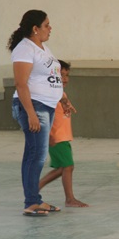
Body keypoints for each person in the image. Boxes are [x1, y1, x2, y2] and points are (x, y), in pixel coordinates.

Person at [8, 10, 64, 216]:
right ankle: (31, 202)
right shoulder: (24, 49)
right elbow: (21, 84)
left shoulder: (42, 47)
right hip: (33, 105)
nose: (50, 28)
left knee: (34, 153)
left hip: (46, 105)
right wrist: (31, 113)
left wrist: (63, 99)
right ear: (35, 28)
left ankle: (35, 199)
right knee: (36, 155)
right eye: (47, 25)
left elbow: (51, 75)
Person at [38, 60, 88, 207]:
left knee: (63, 168)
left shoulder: (60, 93)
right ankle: (69, 199)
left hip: (63, 137)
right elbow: (44, 117)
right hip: (56, 137)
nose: (65, 78)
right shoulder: (51, 95)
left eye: (67, 75)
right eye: (61, 75)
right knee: (67, 167)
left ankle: (35, 188)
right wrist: (48, 136)